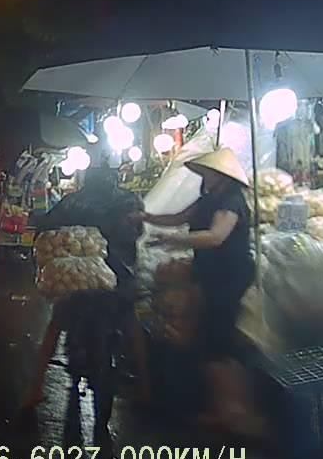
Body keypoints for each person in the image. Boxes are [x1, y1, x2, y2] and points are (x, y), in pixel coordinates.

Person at [136, 148, 264, 435]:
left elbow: (216, 236)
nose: (204, 177)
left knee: (217, 341)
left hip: (229, 276)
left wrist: (174, 240)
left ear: (221, 175)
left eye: (208, 173)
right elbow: (179, 217)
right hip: (211, 274)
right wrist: (146, 217)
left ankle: (233, 411)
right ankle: (225, 408)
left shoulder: (231, 202)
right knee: (215, 340)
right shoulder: (209, 198)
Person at [24, 157, 147, 417]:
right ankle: (147, 384)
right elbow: (139, 232)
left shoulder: (72, 201)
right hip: (116, 275)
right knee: (130, 320)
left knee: (56, 325)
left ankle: (35, 388)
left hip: (76, 278)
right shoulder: (128, 200)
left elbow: (45, 227)